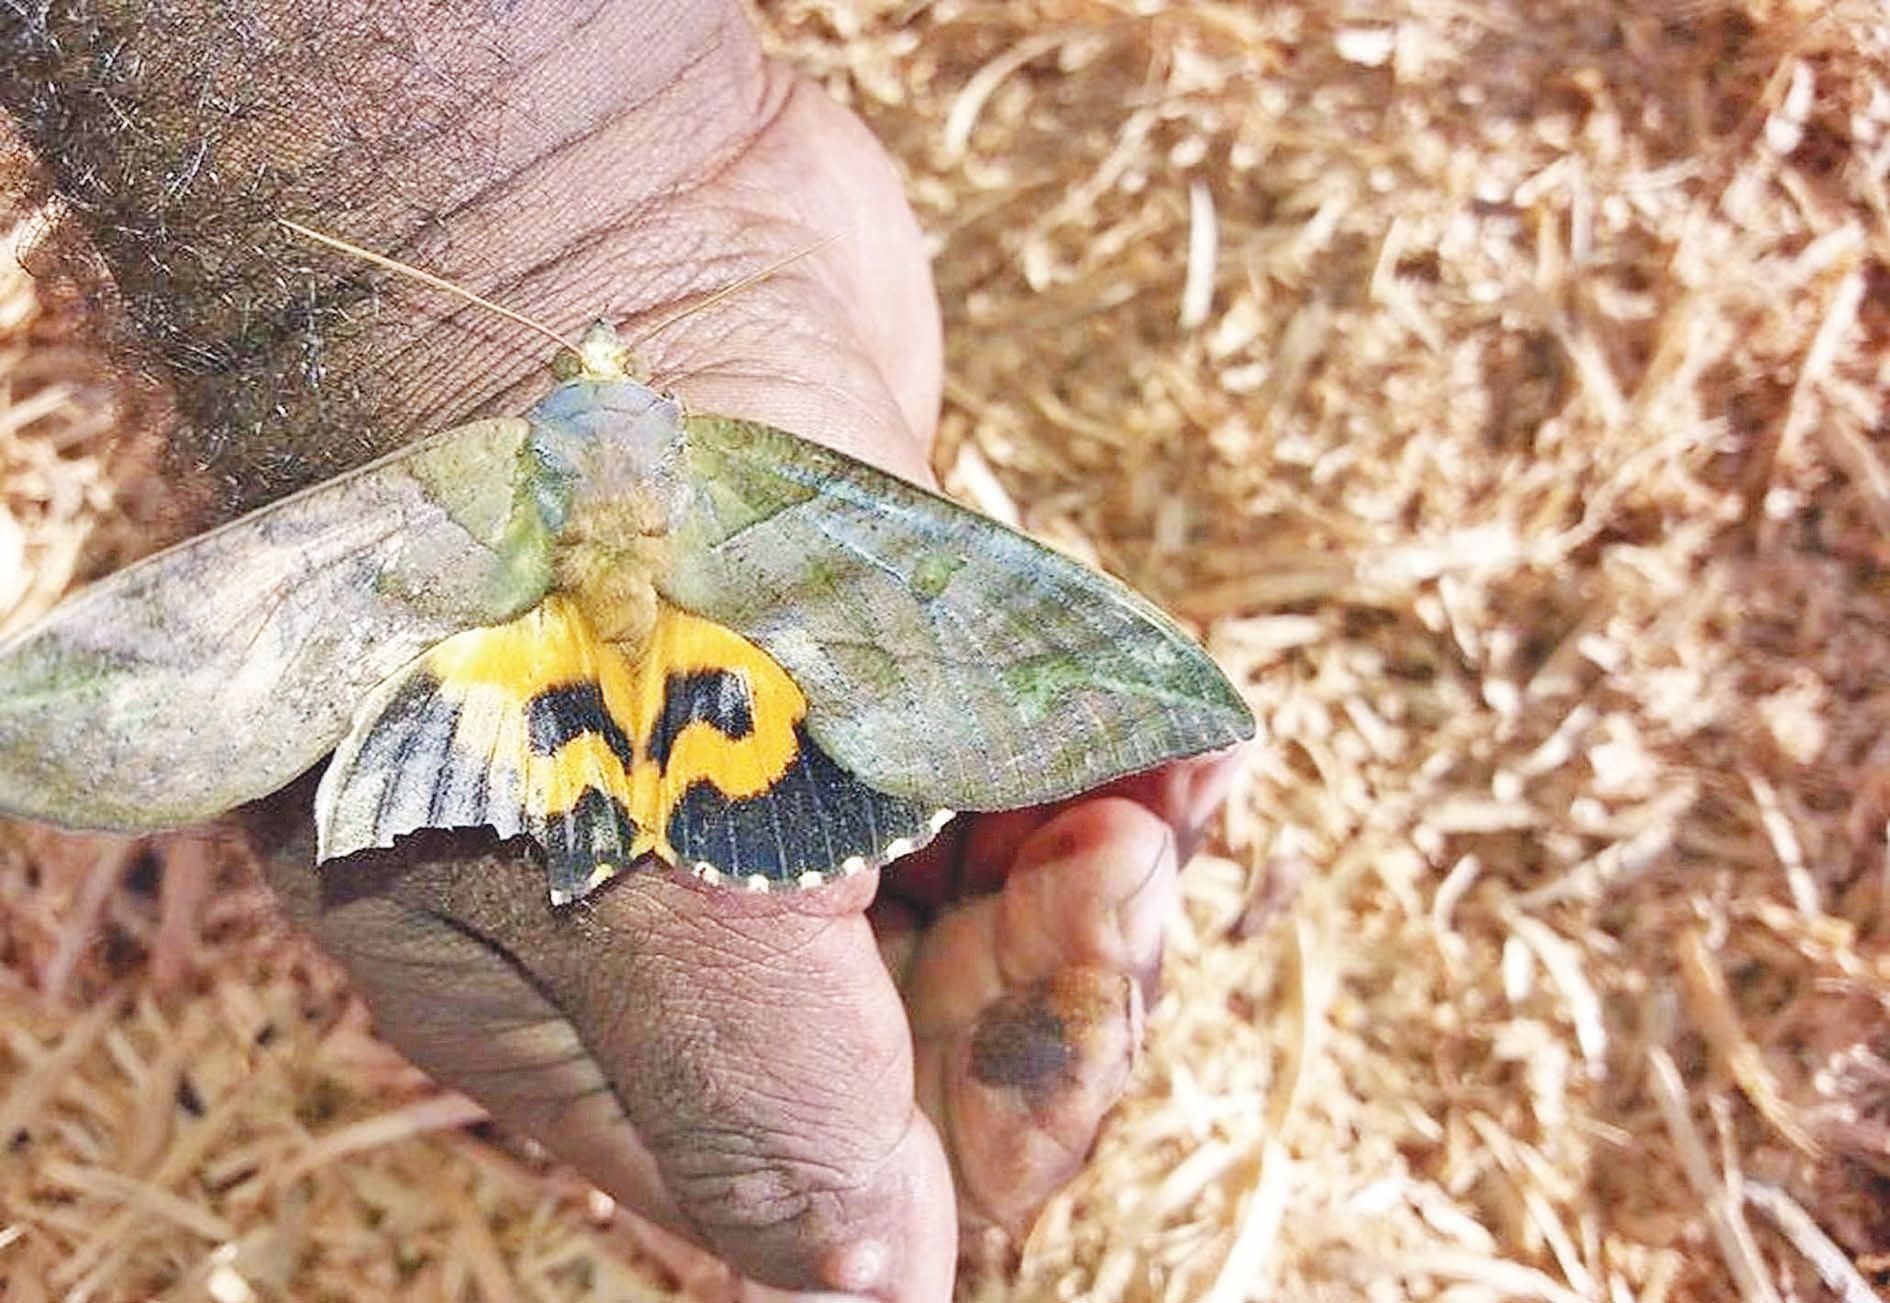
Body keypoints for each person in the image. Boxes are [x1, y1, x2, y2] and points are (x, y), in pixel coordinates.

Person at [1, 2, 1241, 1296]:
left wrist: (635, 163)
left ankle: (545, 778)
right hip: (728, 707)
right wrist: (598, 174)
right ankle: (629, 784)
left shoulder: (470, 483)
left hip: (521, 692)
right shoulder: (750, 477)